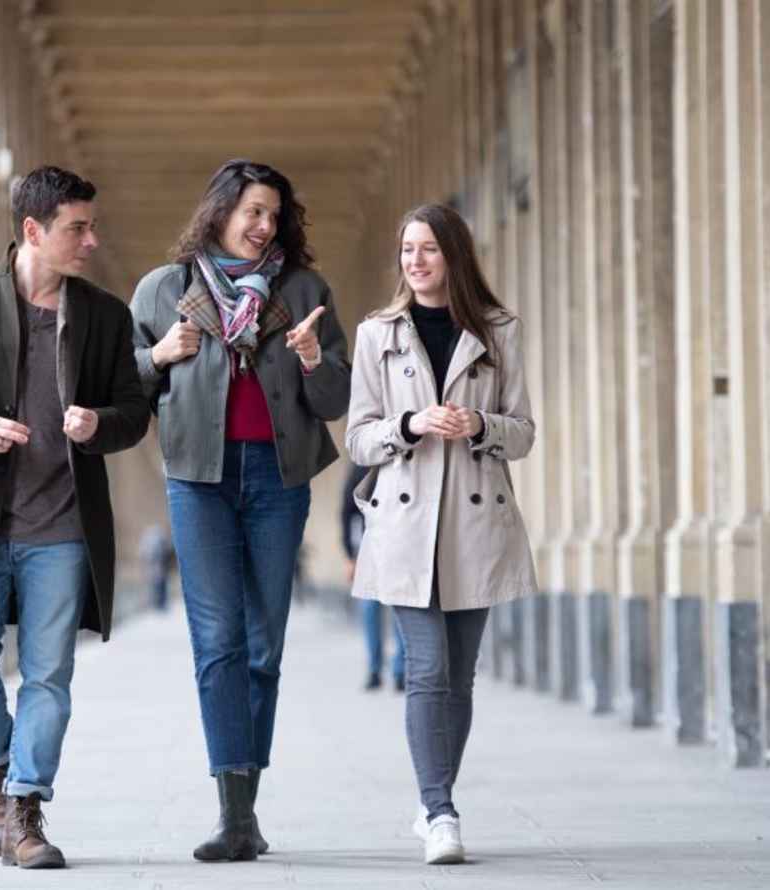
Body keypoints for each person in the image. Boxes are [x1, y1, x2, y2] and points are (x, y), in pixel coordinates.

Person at [0, 166, 150, 869]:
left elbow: (134, 414)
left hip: (63, 531)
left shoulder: (103, 316)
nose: (91, 241)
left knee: (49, 677)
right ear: (33, 231)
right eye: (78, 228)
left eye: (92, 227)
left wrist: (97, 422)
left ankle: (27, 808)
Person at [130, 158, 350, 863]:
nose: (264, 226)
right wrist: (158, 355)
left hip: (278, 480)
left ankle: (246, 811)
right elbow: (120, 386)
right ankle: (232, 812)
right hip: (200, 478)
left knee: (264, 646)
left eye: (275, 215)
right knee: (219, 639)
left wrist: (315, 358)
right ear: (220, 210)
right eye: (253, 211)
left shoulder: (304, 290)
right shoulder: (165, 290)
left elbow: (338, 401)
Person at [344, 203, 537, 866]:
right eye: (406, 250)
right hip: (405, 520)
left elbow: (525, 433)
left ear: (454, 255)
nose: (416, 262)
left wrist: (479, 427)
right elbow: (360, 438)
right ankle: (439, 811)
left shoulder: (498, 331)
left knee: (459, 678)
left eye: (428, 249)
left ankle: (436, 796)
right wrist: (410, 426)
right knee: (425, 670)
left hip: (477, 522)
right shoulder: (378, 335)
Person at [341, 462, 405, 691]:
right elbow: (347, 513)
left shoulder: (403, 463)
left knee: (401, 609)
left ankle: (400, 671)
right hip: (368, 553)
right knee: (369, 610)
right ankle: (375, 669)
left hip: (400, 549)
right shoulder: (360, 467)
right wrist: (349, 556)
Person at [138, 524, 176, 611]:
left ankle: (159, 604)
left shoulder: (150, 542)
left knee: (158, 585)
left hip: (158, 568)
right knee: (159, 585)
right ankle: (159, 604)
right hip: (158, 568)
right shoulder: (161, 540)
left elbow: (143, 554)